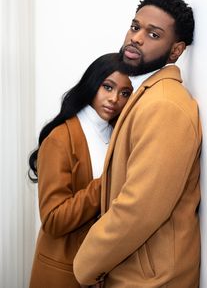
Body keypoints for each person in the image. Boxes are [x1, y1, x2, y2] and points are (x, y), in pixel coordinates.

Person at [73, 0, 202, 288]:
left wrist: (85, 265)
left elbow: (139, 208)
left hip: (151, 281)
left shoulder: (165, 105)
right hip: (133, 272)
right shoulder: (146, 94)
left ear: (175, 51)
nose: (137, 38)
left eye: (153, 34)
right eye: (135, 27)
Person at [28, 53, 133, 288]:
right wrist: (108, 179)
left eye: (125, 93)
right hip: (64, 272)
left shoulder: (118, 135)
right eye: (108, 87)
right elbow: (54, 219)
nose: (114, 99)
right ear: (92, 84)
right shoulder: (60, 138)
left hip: (101, 270)